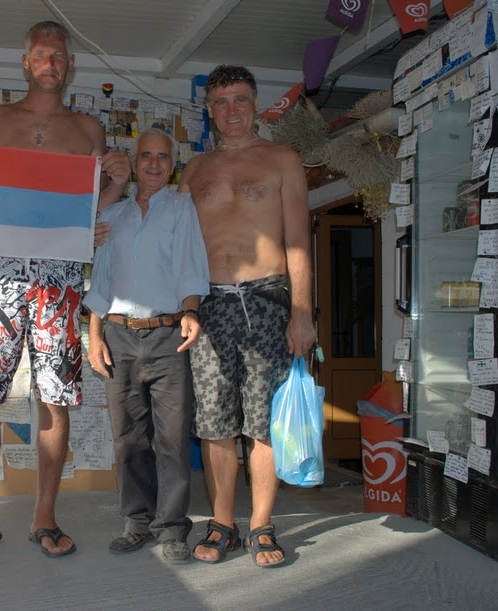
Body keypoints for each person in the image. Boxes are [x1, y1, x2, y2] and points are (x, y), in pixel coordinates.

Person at [0, 20, 131, 559]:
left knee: (54, 397)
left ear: (70, 64)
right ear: (25, 61)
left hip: (59, 278)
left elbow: (89, 210)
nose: (50, 63)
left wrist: (116, 185)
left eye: (58, 55)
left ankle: (45, 516)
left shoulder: (88, 130)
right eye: (41, 54)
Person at [178, 65, 317, 567]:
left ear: (256, 104)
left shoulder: (282, 159)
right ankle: (222, 524)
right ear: (208, 109)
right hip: (209, 305)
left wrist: (301, 313)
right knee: (214, 422)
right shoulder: (194, 170)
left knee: (263, 423)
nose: (230, 110)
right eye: (220, 101)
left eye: (239, 99)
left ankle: (261, 525)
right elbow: (177, 247)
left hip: (267, 301)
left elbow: (298, 240)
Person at [83, 128, 209, 564]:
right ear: (135, 163)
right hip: (118, 336)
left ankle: (171, 528)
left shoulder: (181, 207)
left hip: (168, 336)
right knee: (128, 439)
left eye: (163, 157)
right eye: (146, 156)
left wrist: (191, 310)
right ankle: (136, 522)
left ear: (172, 164)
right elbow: (101, 280)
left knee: (172, 439)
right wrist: (94, 336)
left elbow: (191, 264)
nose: (154, 164)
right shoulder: (113, 215)